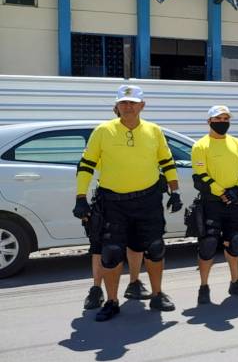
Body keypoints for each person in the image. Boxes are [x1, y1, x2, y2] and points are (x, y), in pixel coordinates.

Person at [74, 85, 183, 321]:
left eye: (133, 102)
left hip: (148, 201)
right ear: (117, 106)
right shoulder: (103, 131)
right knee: (111, 253)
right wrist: (80, 197)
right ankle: (112, 301)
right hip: (113, 202)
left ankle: (157, 294)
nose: (128, 106)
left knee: (154, 248)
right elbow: (86, 165)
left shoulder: (154, 131)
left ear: (142, 105)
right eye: (123, 103)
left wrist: (175, 192)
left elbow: (167, 161)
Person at [84, 106, 151, 310]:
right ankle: (97, 289)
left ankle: (134, 283)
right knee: (102, 246)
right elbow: (88, 163)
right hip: (108, 198)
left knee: (134, 241)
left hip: (134, 200)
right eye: (123, 108)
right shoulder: (104, 133)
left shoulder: (141, 134)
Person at [191, 105, 238, 304]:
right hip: (211, 203)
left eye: (226, 119)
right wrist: (222, 192)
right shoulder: (200, 146)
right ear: (209, 121)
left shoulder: (237, 144)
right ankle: (203, 286)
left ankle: (236, 282)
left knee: (235, 242)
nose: (222, 122)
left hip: (235, 201)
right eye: (218, 119)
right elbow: (201, 176)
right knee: (208, 244)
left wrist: (236, 189)